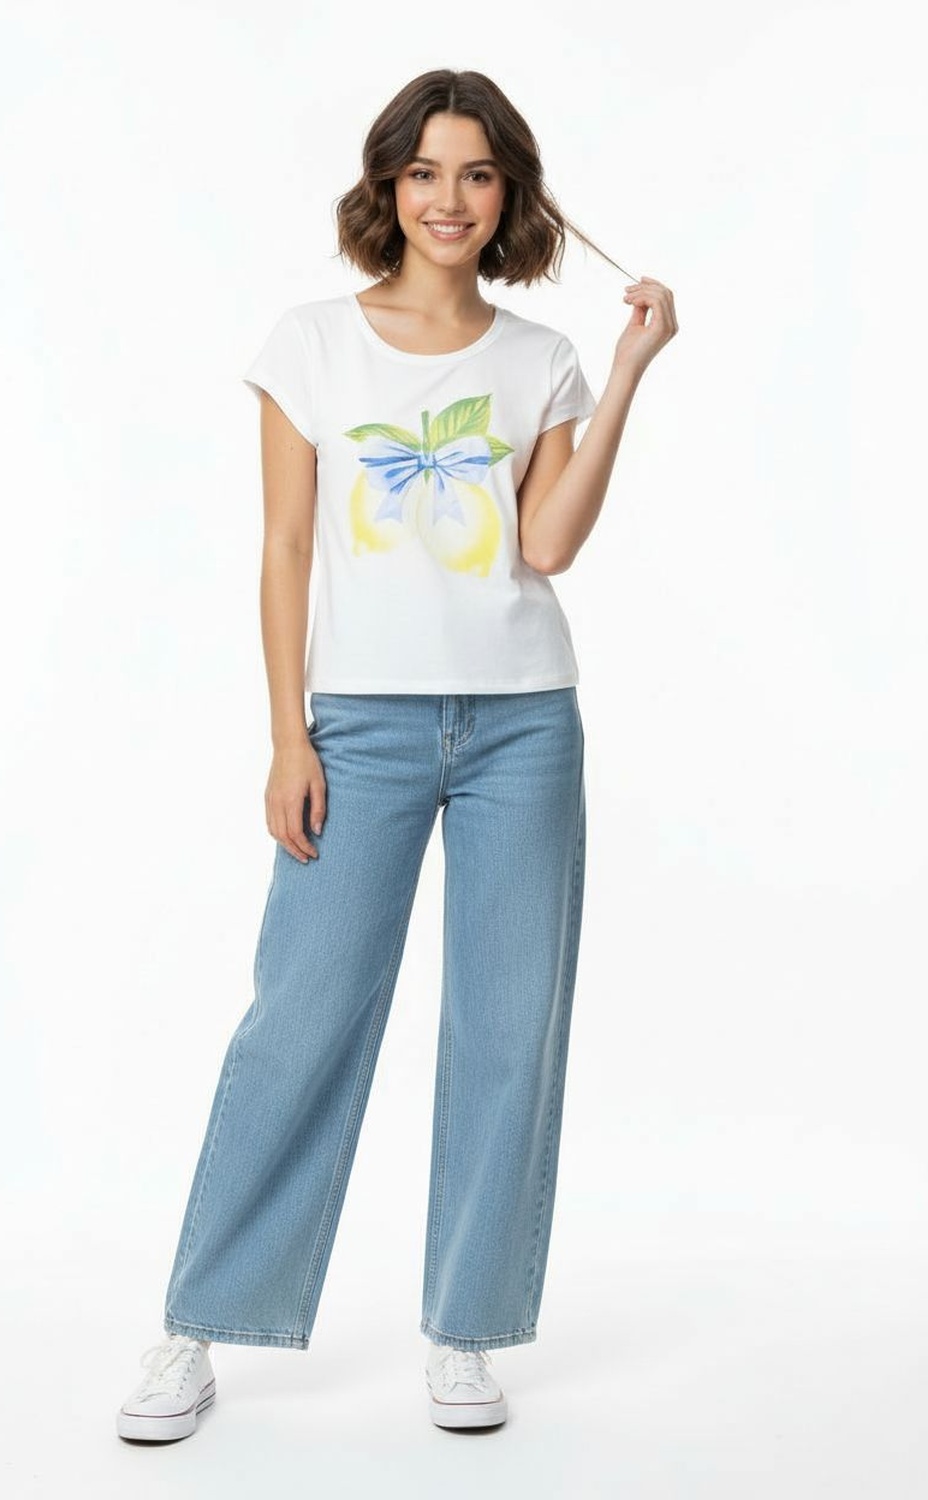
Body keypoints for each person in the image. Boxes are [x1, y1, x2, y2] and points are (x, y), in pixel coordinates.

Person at [116, 66, 678, 1442]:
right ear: (388, 185)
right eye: (425, 172)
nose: (449, 198)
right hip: (357, 729)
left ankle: (466, 1331)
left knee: (508, 1026)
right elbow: (284, 548)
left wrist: (625, 377)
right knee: (299, 1019)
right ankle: (197, 1325)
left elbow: (546, 546)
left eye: (477, 173)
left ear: (510, 194)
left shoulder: (538, 360)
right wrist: (286, 734)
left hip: (522, 726)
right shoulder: (312, 342)